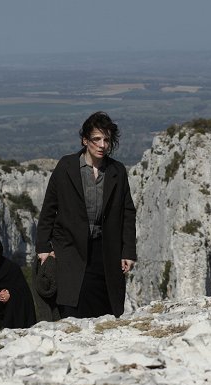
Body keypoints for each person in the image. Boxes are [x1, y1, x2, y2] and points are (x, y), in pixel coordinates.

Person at [36, 111, 137, 318]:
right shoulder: (67, 166)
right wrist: (43, 248)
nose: (102, 145)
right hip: (70, 248)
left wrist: (128, 251)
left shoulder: (117, 171)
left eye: (106, 140)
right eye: (96, 139)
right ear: (85, 140)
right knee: (73, 303)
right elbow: (49, 208)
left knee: (105, 305)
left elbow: (128, 212)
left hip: (105, 250)